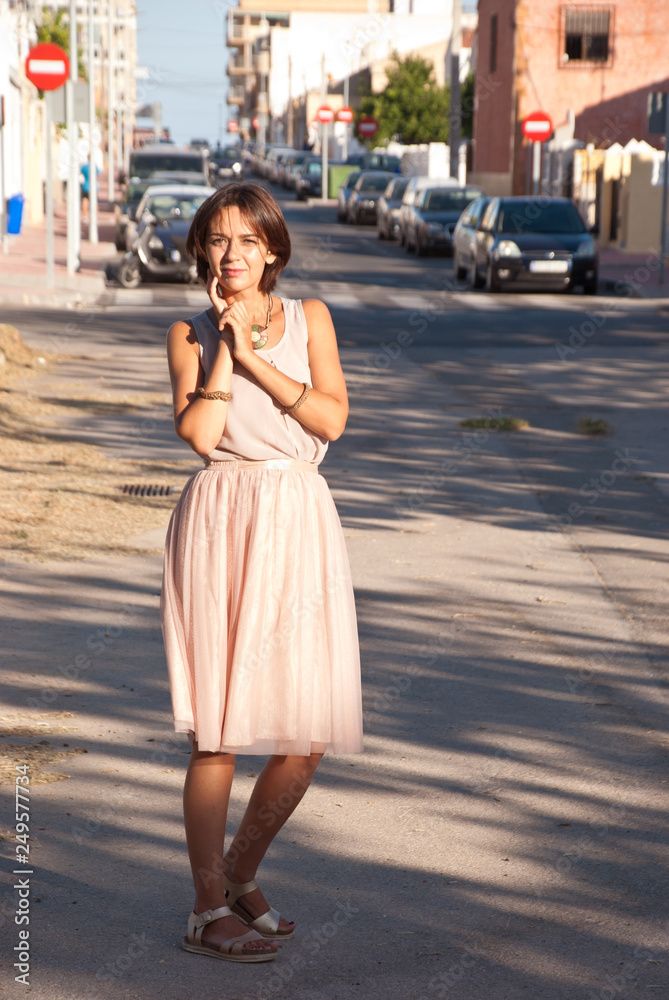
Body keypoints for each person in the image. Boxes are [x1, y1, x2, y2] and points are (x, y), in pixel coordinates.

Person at [160, 182, 363, 964]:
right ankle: (208, 908)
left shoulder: (310, 319)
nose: (233, 253)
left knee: (304, 734)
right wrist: (221, 350)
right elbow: (203, 435)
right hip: (220, 523)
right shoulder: (185, 333)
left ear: (273, 249)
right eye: (218, 240)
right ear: (203, 255)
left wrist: (257, 358)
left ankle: (241, 872)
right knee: (219, 736)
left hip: (299, 521)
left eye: (248, 239)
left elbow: (330, 420)